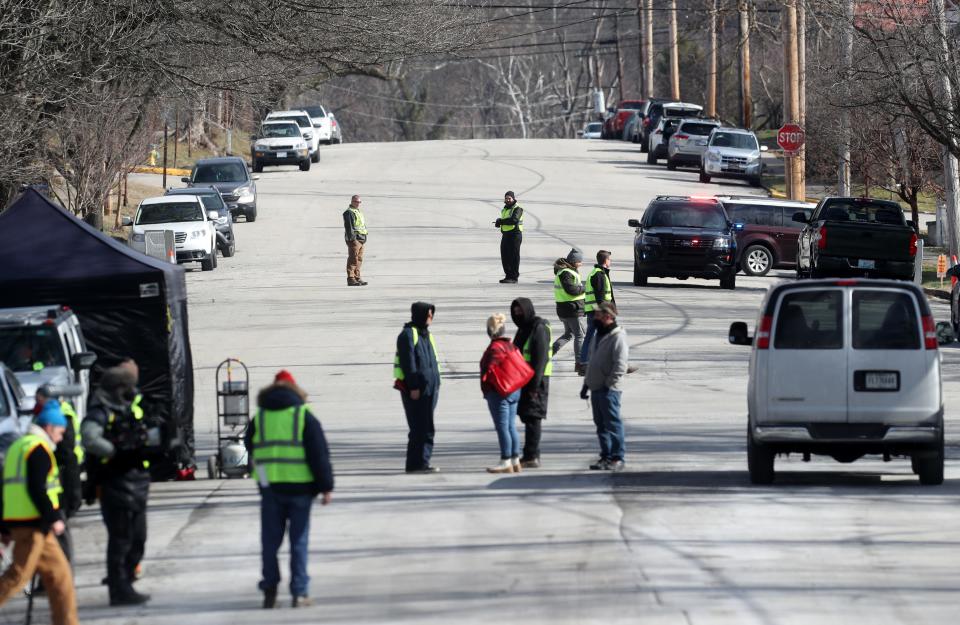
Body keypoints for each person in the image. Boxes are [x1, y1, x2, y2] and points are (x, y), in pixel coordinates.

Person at [245, 370, 334, 609]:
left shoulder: (260, 416)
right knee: (298, 541)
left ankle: (270, 589)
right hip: (300, 489)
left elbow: (249, 445)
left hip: (270, 488)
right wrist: (326, 487)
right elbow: (319, 454)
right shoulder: (304, 415)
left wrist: (263, 476)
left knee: (270, 542)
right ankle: (299, 592)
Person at [0, 402, 79, 625]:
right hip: (32, 525)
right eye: (61, 432)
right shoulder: (38, 449)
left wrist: (4, 526)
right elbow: (37, 487)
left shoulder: (19, 446)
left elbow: (6, 488)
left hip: (29, 524)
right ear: (51, 427)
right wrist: (54, 516)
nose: (61, 438)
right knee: (18, 576)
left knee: (60, 578)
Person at [81, 364, 152, 606]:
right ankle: (119, 589)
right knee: (121, 538)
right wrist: (114, 452)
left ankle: (127, 580)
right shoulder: (100, 411)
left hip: (137, 482)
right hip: (115, 482)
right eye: (129, 388)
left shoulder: (131, 408)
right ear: (118, 389)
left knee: (139, 537)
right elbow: (89, 437)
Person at [32, 386, 82, 566]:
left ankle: (61, 575)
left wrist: (74, 492)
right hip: (52, 490)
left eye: (39, 400)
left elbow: (68, 456)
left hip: (60, 483)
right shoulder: (44, 417)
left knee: (60, 538)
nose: (36, 404)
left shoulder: (58, 417)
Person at [580, 302, 629, 471]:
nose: (595, 317)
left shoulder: (617, 336)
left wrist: (609, 384)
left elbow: (620, 365)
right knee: (601, 425)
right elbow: (592, 361)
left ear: (608, 316)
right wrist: (586, 384)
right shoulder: (598, 335)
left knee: (613, 424)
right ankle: (605, 456)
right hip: (595, 388)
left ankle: (618, 457)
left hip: (609, 390)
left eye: (598, 315)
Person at [394, 302, 441, 473]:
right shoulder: (408, 335)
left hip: (430, 388)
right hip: (417, 389)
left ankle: (420, 462)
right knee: (420, 428)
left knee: (426, 426)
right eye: (428, 314)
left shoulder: (425, 333)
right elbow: (409, 364)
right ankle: (418, 463)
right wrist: (413, 386)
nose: (431, 318)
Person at [511, 297, 551, 468]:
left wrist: (534, 386)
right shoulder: (523, 328)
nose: (517, 314)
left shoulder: (539, 328)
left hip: (536, 381)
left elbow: (540, 359)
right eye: (515, 311)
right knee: (527, 416)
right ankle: (529, 454)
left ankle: (532, 455)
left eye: (520, 310)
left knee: (534, 417)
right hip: (523, 379)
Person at [479, 314, 522, 474]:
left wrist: (487, 388)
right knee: (511, 426)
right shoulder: (510, 346)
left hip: (499, 392)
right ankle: (515, 459)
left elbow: (489, 370)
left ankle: (505, 460)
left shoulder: (494, 349)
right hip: (514, 390)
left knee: (502, 427)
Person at [551, 248, 586, 372]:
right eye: (580, 261)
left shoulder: (565, 272)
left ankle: (548, 353)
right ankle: (580, 363)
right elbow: (572, 290)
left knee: (568, 335)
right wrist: (585, 288)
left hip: (565, 309)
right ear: (574, 261)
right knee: (580, 335)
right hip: (572, 309)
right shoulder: (567, 273)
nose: (581, 263)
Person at [580, 250, 615, 372]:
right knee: (594, 338)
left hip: (595, 311)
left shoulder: (598, 273)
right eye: (609, 259)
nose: (610, 261)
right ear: (605, 261)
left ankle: (586, 363)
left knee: (594, 337)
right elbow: (600, 297)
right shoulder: (599, 275)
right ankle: (586, 363)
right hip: (597, 312)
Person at [495, 190, 523, 283]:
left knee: (514, 256)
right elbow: (505, 221)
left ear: (513, 198)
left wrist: (501, 221)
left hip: (515, 234)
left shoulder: (518, 208)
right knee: (505, 256)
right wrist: (499, 222)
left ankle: (514, 277)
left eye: (509, 198)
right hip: (506, 235)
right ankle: (508, 276)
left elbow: (514, 220)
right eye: (506, 198)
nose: (507, 200)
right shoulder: (505, 209)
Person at [343, 194, 368, 286]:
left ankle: (357, 277)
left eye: (359, 202)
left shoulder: (358, 211)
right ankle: (351, 278)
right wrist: (352, 239)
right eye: (356, 201)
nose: (358, 203)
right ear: (352, 201)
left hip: (361, 238)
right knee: (353, 258)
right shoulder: (349, 212)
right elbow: (349, 227)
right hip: (355, 239)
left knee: (359, 259)